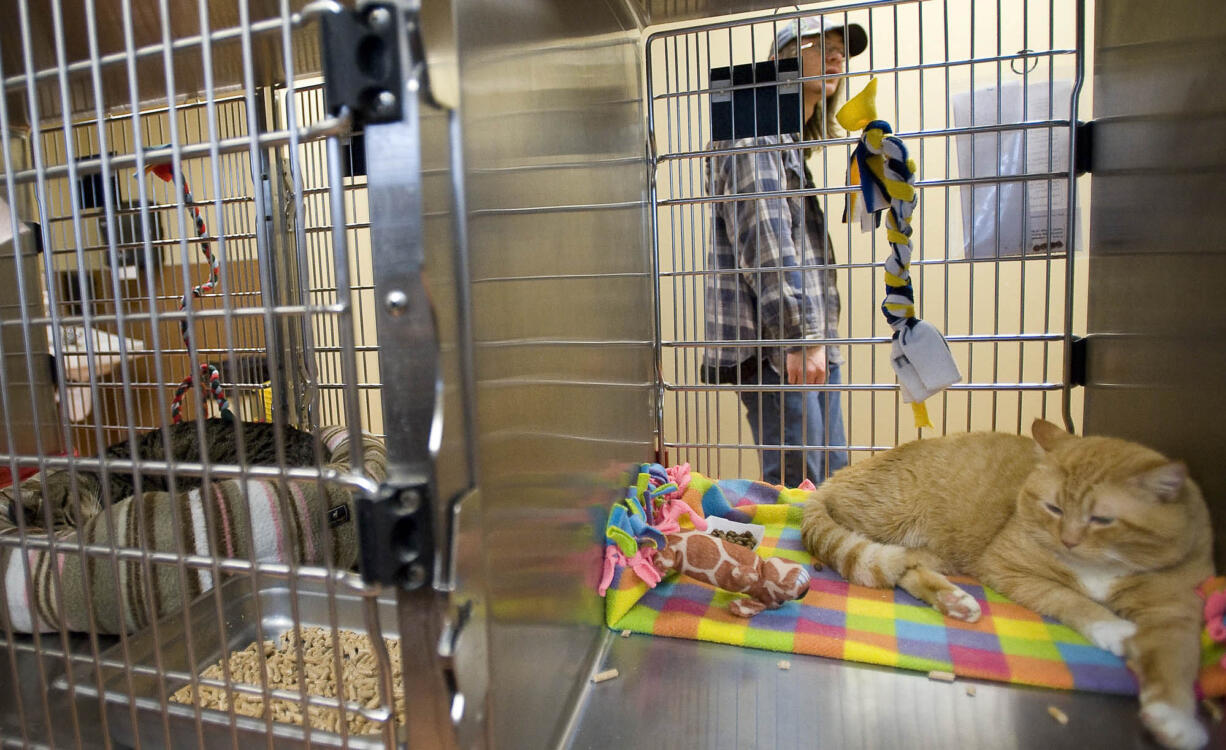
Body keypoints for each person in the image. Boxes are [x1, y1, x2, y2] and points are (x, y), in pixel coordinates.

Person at [702, 16, 867, 487]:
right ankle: (788, 565)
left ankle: (818, 563)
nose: (836, 56)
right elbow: (766, 240)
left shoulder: (790, 142)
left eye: (841, 49)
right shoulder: (754, 124)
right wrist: (798, 336)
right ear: (779, 63)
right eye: (819, 44)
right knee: (801, 485)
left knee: (832, 479)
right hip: (781, 344)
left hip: (808, 338)